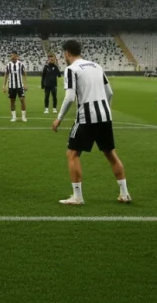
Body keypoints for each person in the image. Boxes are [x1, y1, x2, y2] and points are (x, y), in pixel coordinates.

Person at [52, 40, 131, 205]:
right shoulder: (97, 66)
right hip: (105, 115)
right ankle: (125, 194)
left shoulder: (71, 69)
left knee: (72, 154)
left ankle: (77, 197)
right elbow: (109, 92)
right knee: (110, 153)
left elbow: (69, 97)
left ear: (67, 53)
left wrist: (59, 118)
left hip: (86, 117)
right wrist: (105, 110)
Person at [3, 51, 27, 122]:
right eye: (11, 56)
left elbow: (24, 74)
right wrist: (4, 85)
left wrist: (25, 84)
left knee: (22, 100)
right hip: (11, 86)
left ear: (17, 56)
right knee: (12, 101)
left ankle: (23, 117)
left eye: (13, 55)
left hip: (20, 86)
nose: (12, 57)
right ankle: (14, 117)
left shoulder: (21, 64)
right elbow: (6, 75)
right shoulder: (8, 65)